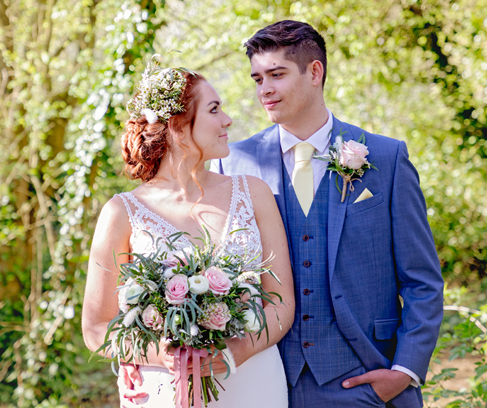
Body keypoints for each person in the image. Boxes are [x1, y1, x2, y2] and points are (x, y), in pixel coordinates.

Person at [120, 20, 444, 408]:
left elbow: (422, 279)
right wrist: (143, 352)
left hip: (365, 377)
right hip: (264, 381)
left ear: (314, 72)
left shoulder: (385, 158)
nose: (264, 91)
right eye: (257, 79)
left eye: (276, 75)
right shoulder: (232, 164)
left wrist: (402, 371)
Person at [82, 63, 295, 408]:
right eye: (214, 110)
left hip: (253, 382)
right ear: (178, 127)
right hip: (164, 389)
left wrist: (231, 352)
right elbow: (96, 328)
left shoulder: (254, 194)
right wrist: (159, 355)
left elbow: (282, 304)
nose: (227, 120)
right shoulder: (121, 213)